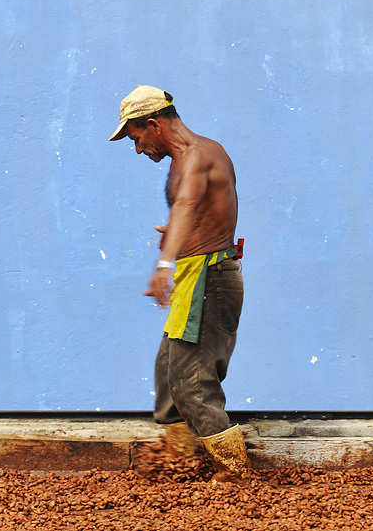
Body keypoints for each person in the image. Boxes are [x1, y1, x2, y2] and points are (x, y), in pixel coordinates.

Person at [110, 85, 249, 480]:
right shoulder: (196, 154)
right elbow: (199, 212)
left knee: (191, 383)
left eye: (136, 138)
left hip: (209, 278)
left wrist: (164, 263)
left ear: (153, 124)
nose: (138, 150)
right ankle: (181, 458)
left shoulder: (196, 157)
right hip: (198, 277)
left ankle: (235, 473)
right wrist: (176, 233)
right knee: (167, 373)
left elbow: (188, 204)